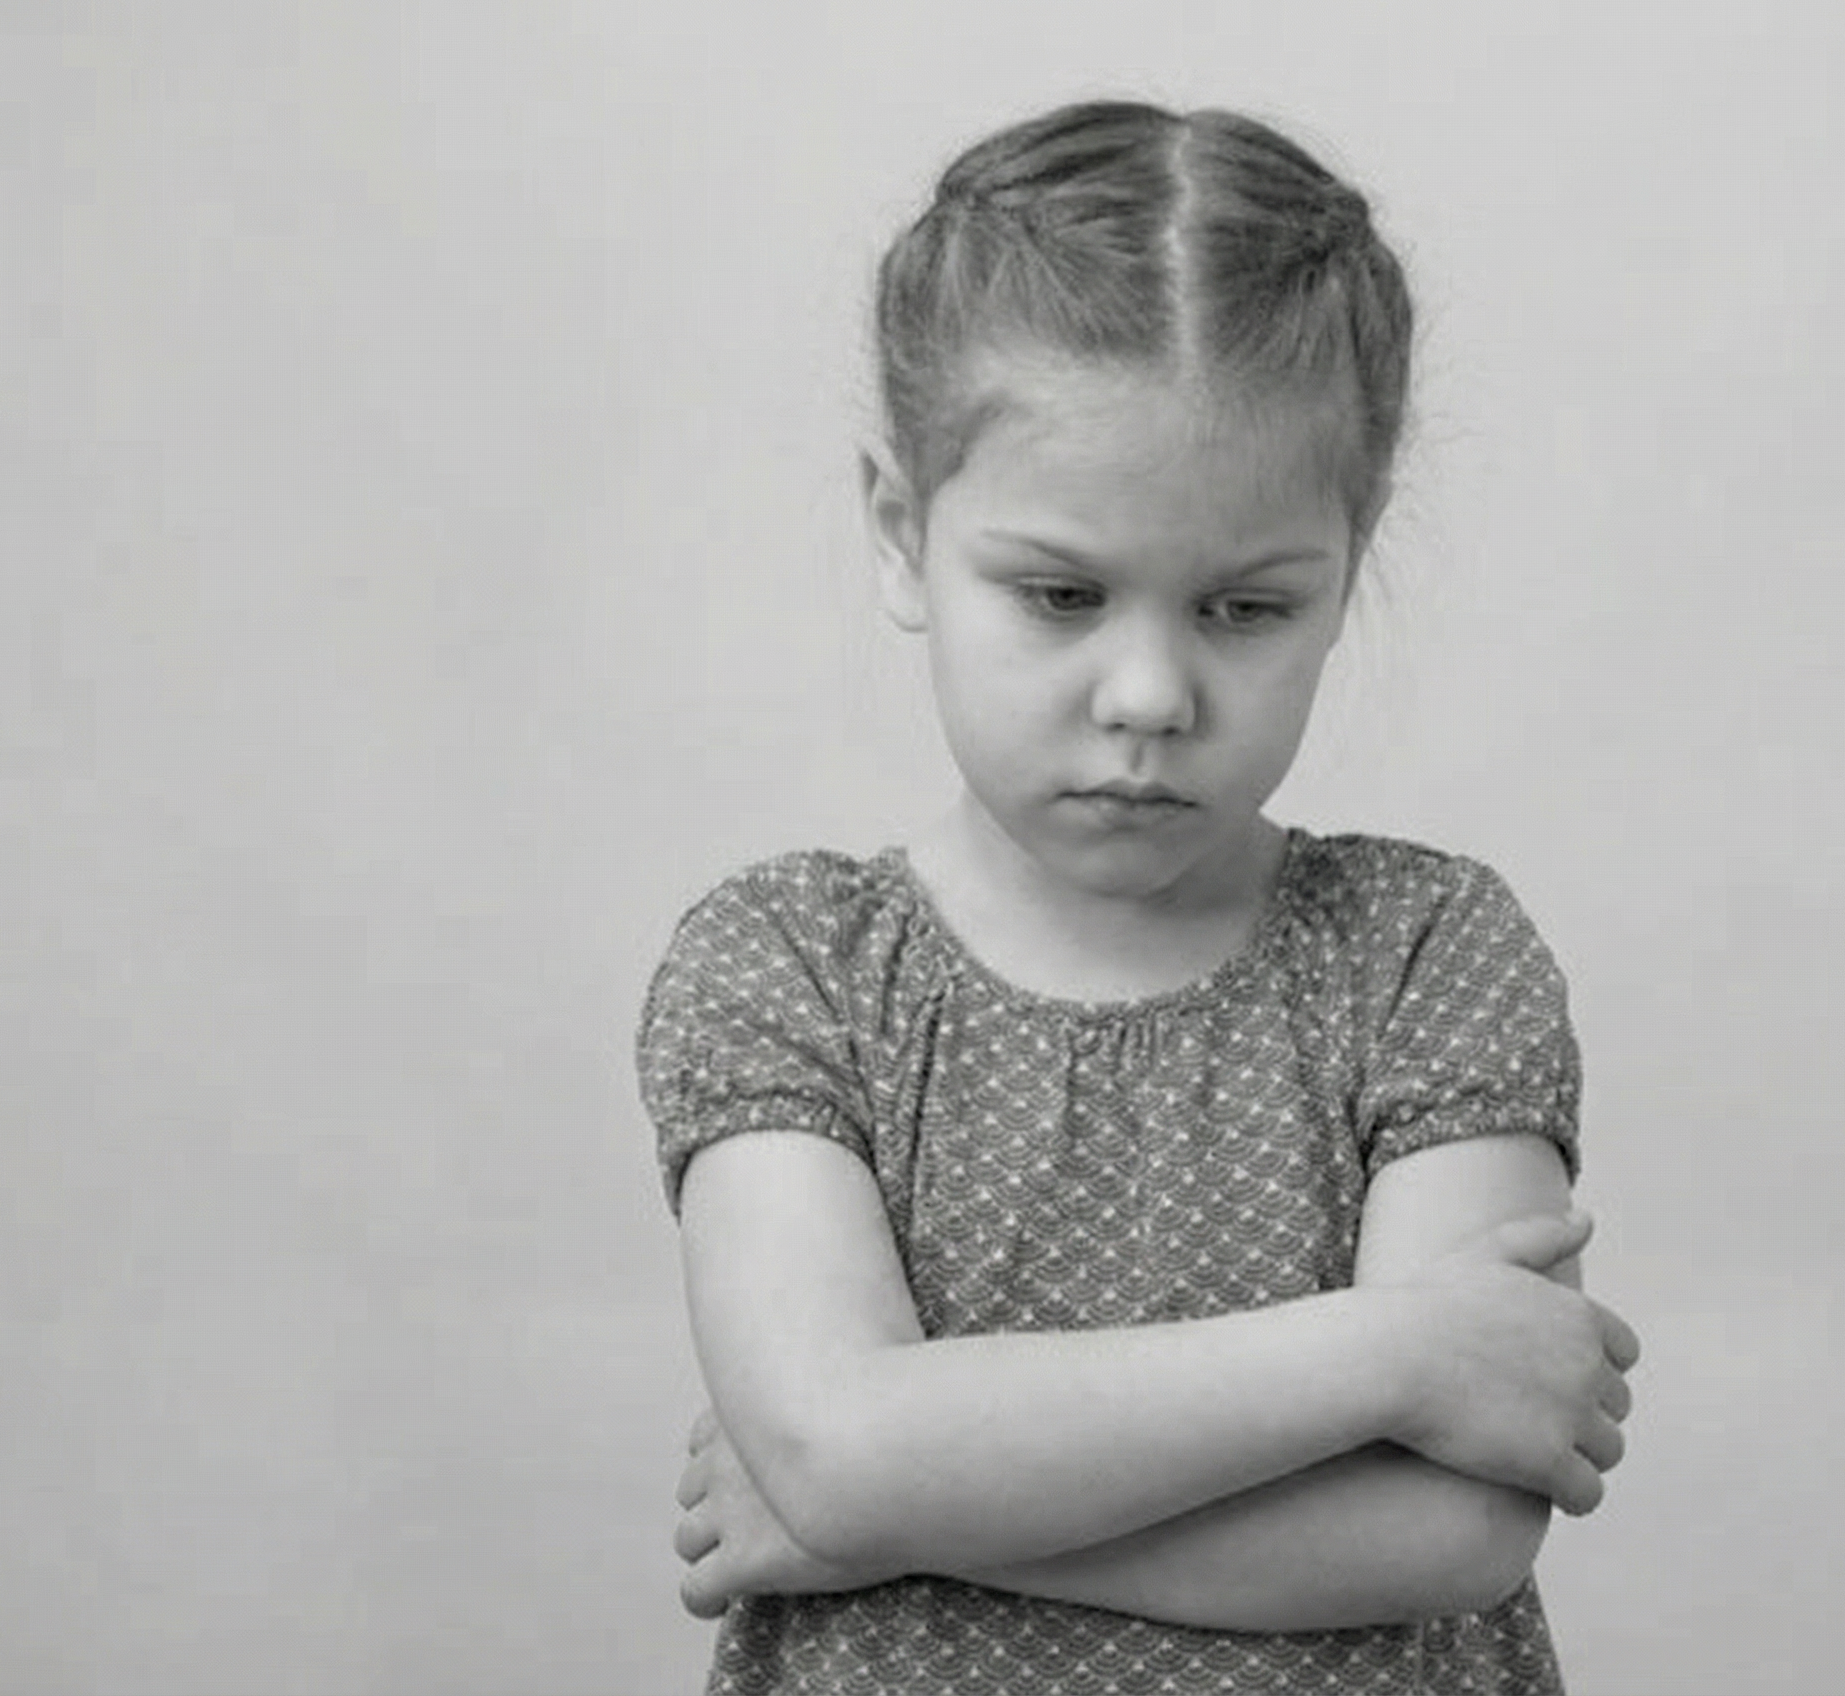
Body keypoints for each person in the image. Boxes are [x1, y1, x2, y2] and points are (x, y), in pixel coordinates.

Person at [638, 99, 1640, 1696]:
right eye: (1060, 594)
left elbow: (1452, 1530)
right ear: (902, 533)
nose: (1151, 694)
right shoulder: (789, 967)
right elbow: (834, 1448)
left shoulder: (1425, 955)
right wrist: (1396, 1351)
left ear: (1348, 559)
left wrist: (890, 1513)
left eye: (1245, 608)